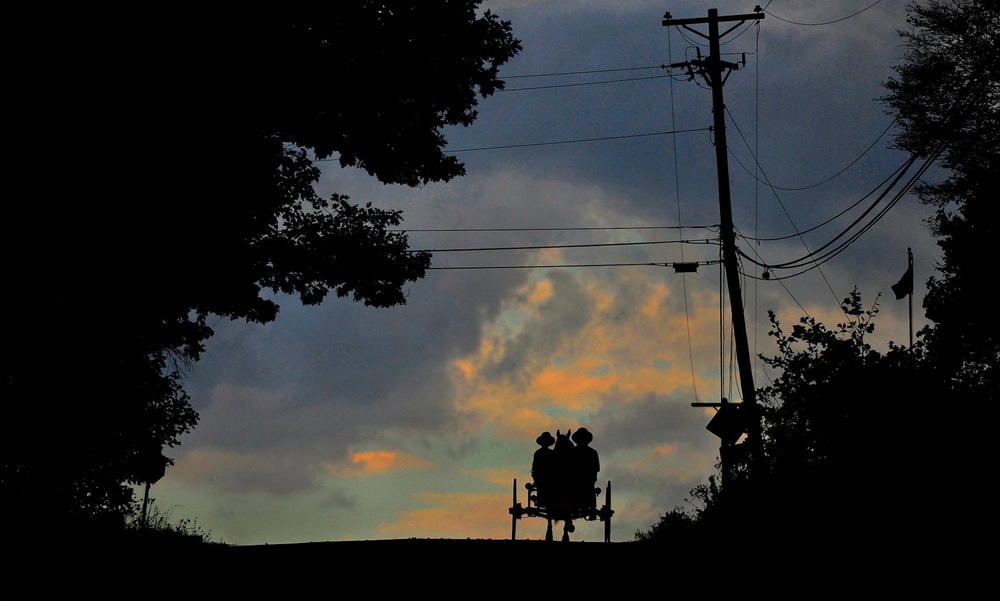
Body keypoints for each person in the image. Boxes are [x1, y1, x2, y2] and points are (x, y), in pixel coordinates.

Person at [570, 427, 600, 514]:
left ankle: (590, 506)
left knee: (588, 487)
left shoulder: (592, 452)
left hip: (586, 479)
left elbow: (595, 469)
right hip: (577, 478)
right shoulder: (573, 451)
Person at [531, 431, 556, 507]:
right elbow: (535, 467)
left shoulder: (538, 452)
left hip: (544, 477)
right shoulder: (550, 453)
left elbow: (535, 467)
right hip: (543, 478)